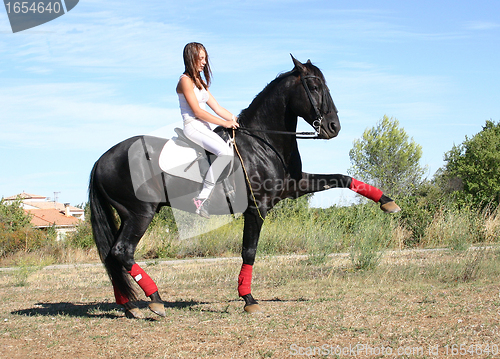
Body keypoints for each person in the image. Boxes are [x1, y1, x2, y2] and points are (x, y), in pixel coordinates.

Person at [176, 42, 239, 218]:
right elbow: (197, 111)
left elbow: (217, 108)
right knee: (225, 153)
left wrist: (235, 119)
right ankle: (201, 199)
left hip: (205, 127)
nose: (204, 62)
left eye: (205, 58)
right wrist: (224, 123)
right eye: (201, 58)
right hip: (193, 125)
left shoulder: (200, 82)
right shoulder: (185, 81)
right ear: (191, 58)